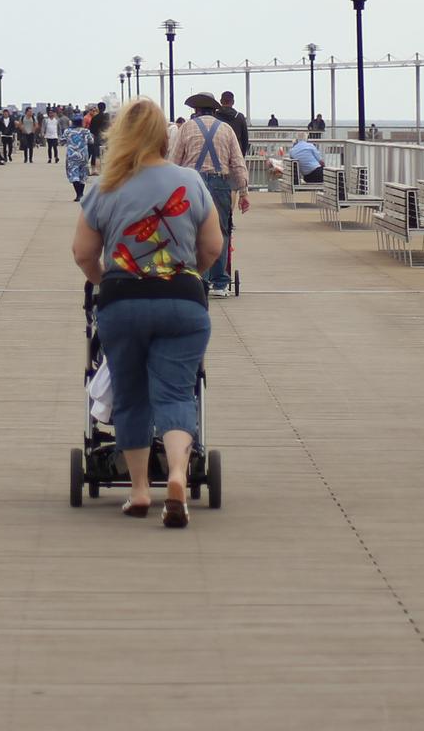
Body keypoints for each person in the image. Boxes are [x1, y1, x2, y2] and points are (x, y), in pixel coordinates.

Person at [73, 97, 223, 528]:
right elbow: (212, 247)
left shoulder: (105, 186)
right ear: (164, 137)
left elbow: (83, 253)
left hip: (123, 301)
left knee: (131, 392)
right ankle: (177, 475)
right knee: (177, 392)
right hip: (182, 301)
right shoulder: (190, 182)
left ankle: (139, 491)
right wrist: (190, 273)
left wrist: (106, 279)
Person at [171, 93, 250, 294]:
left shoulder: (187, 128)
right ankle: (221, 282)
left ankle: (199, 278)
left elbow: (175, 160)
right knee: (221, 230)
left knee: (193, 230)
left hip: (192, 183)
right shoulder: (226, 129)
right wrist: (243, 192)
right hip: (220, 183)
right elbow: (237, 162)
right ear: (214, 110)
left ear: (196, 111)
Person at [65, 114, 93, 199]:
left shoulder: (67, 131)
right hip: (83, 155)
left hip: (72, 156)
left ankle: (78, 194)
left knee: (74, 174)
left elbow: (62, 141)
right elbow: (91, 141)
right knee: (83, 174)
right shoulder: (86, 131)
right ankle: (81, 194)